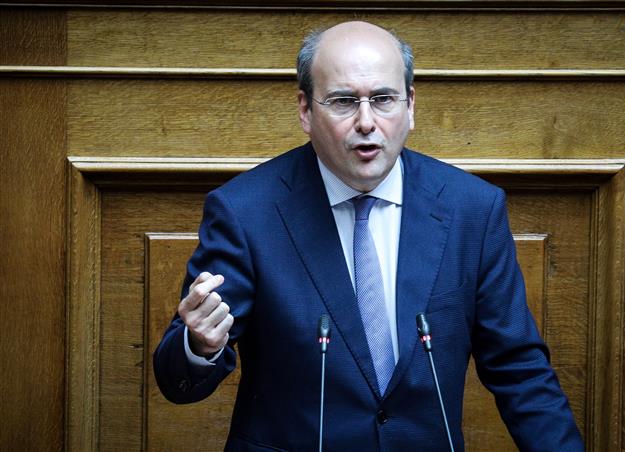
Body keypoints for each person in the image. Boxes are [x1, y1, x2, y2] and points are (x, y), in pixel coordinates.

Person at [154, 21, 584, 451]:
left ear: (410, 105)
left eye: (383, 99)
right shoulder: (245, 212)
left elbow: (520, 370)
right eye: (343, 101)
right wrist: (199, 345)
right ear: (305, 110)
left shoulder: (472, 209)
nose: (366, 122)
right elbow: (179, 382)